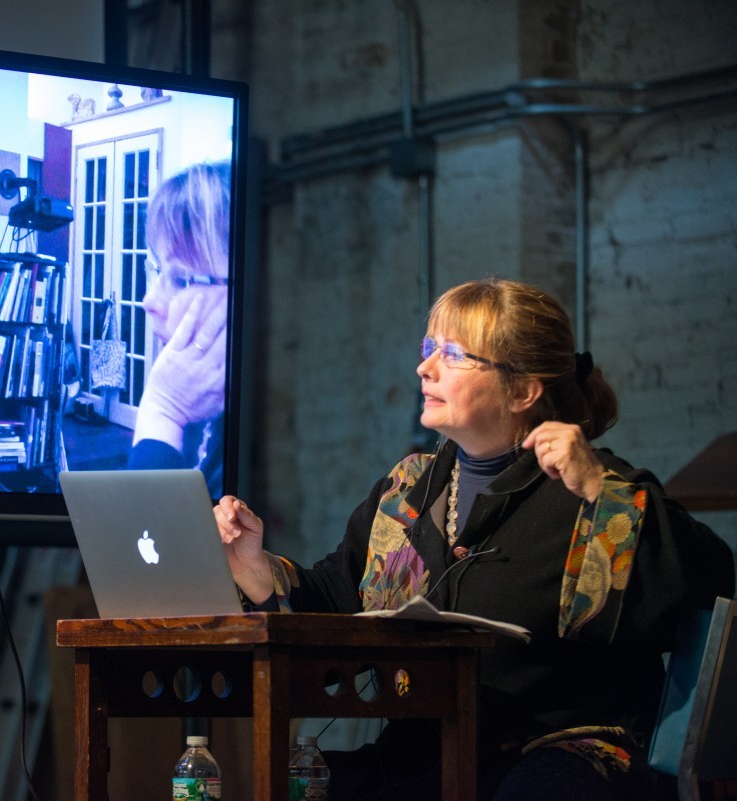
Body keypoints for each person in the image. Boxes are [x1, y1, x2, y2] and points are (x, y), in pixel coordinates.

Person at [213, 277, 734, 800]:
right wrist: (252, 564)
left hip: (558, 753)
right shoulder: (407, 489)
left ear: (523, 390)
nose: (425, 367)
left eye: (455, 354)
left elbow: (708, 582)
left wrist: (601, 490)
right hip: (425, 755)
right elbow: (332, 602)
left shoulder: (589, 487)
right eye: (428, 347)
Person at [128, 161, 231, 497]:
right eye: (157, 270)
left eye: (180, 278)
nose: (149, 300)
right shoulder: (205, 399)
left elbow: (144, 545)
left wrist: (163, 410)